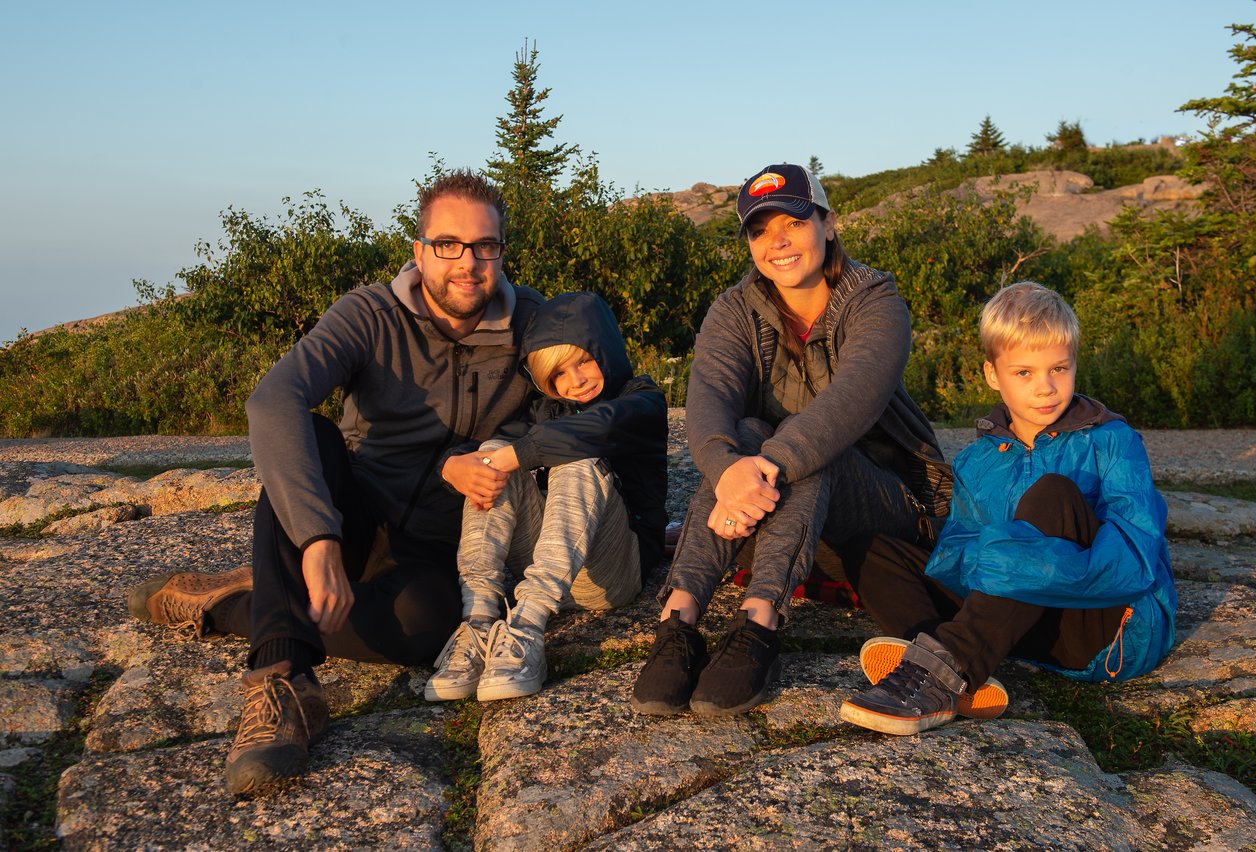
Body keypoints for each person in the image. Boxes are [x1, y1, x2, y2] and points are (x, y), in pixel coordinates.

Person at [126, 170, 544, 794]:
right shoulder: (369, 314)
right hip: (354, 510)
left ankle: (237, 601)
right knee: (314, 438)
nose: (468, 262)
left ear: (502, 252)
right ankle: (281, 682)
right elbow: (275, 400)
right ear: (420, 250)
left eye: (485, 246)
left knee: (430, 628)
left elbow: (615, 398)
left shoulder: (534, 323)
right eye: (449, 244)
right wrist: (319, 539)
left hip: (437, 542)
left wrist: (650, 534)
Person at [630, 163, 951, 717]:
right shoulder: (735, 311)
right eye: (760, 230)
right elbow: (709, 403)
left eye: (794, 223)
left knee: (804, 449)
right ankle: (678, 623)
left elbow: (849, 402)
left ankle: (759, 622)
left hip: (888, 510)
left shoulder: (875, 300)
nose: (777, 241)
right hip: (780, 517)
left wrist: (762, 466)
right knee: (746, 436)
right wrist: (729, 467)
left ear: (827, 224)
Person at [840, 281, 1177, 736]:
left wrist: (1017, 558)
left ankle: (943, 666)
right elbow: (955, 554)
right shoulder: (977, 461)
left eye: (1059, 368)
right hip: (1014, 626)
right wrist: (1007, 559)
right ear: (992, 375)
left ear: (1075, 364)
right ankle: (953, 666)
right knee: (872, 549)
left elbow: (1134, 564)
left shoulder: (1112, 442)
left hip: (1098, 627)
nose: (1046, 388)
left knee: (1053, 494)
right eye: (1024, 373)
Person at [422, 291, 667, 703]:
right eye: (558, 374)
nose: (575, 381)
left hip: (612, 572)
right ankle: (479, 621)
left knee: (575, 459)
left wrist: (520, 453)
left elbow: (600, 428)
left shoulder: (641, 399)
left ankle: (527, 628)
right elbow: (495, 453)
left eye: (584, 360)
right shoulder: (547, 412)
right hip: (548, 557)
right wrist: (454, 464)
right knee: (489, 455)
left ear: (604, 349)